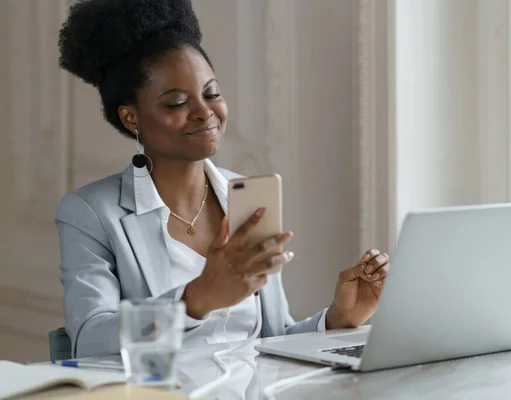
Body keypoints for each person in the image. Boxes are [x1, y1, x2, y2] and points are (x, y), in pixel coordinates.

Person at [56, 0, 390, 358]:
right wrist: (195, 300)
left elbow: (273, 338)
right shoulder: (91, 213)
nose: (204, 112)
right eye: (176, 103)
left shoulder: (244, 198)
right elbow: (89, 339)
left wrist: (340, 318)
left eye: (212, 94)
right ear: (131, 117)